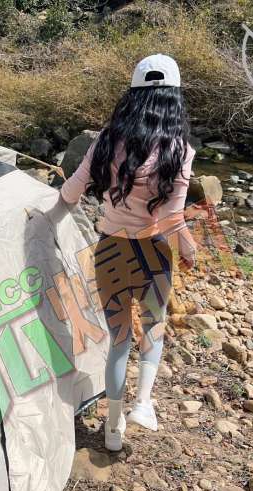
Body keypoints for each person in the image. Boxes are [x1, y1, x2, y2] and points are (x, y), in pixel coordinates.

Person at [59, 54, 197, 452]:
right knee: (153, 328)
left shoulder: (106, 140)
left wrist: (45, 215)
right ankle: (143, 404)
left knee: (119, 341)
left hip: (110, 252)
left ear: (131, 98)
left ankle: (112, 430)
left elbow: (72, 192)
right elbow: (172, 217)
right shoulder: (179, 148)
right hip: (153, 253)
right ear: (174, 99)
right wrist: (187, 246)